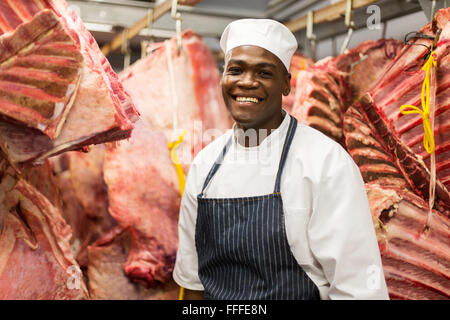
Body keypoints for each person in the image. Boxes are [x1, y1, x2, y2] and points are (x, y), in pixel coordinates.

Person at [173, 18, 389, 300]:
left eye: (263, 73)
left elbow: (359, 289)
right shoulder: (204, 165)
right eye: (235, 70)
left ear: (286, 84)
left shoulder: (326, 163)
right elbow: (193, 283)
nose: (247, 82)